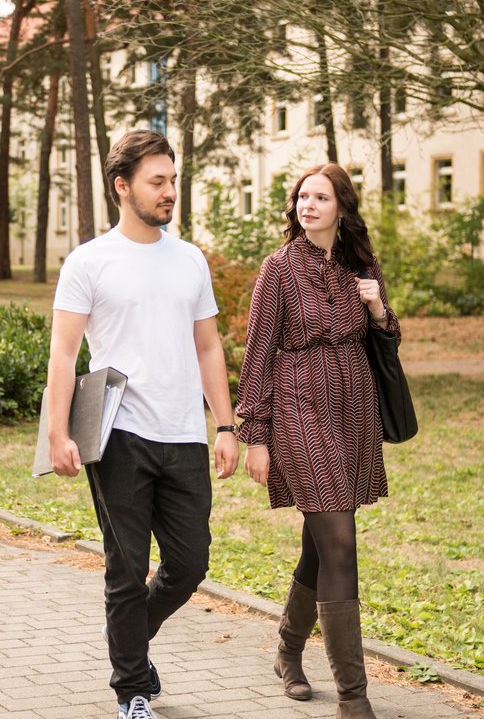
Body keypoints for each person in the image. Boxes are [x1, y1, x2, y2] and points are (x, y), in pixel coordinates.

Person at [46, 129, 240, 719]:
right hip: (118, 435)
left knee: (189, 565)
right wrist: (58, 431)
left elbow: (208, 347)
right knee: (126, 569)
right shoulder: (89, 261)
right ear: (121, 187)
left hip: (182, 432)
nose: (169, 192)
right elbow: (63, 351)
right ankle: (132, 689)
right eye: (157, 182)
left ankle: (132, 645)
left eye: (173, 180)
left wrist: (226, 425)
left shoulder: (189, 259)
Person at [236, 163, 397, 719]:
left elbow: (389, 335)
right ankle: (354, 697)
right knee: (341, 543)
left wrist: (376, 305)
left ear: (342, 208)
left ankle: (287, 649)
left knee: (321, 543)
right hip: (299, 414)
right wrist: (253, 435)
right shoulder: (278, 269)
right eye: (303, 196)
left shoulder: (361, 266)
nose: (308, 205)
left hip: (353, 412)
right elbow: (256, 357)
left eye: (320, 197)